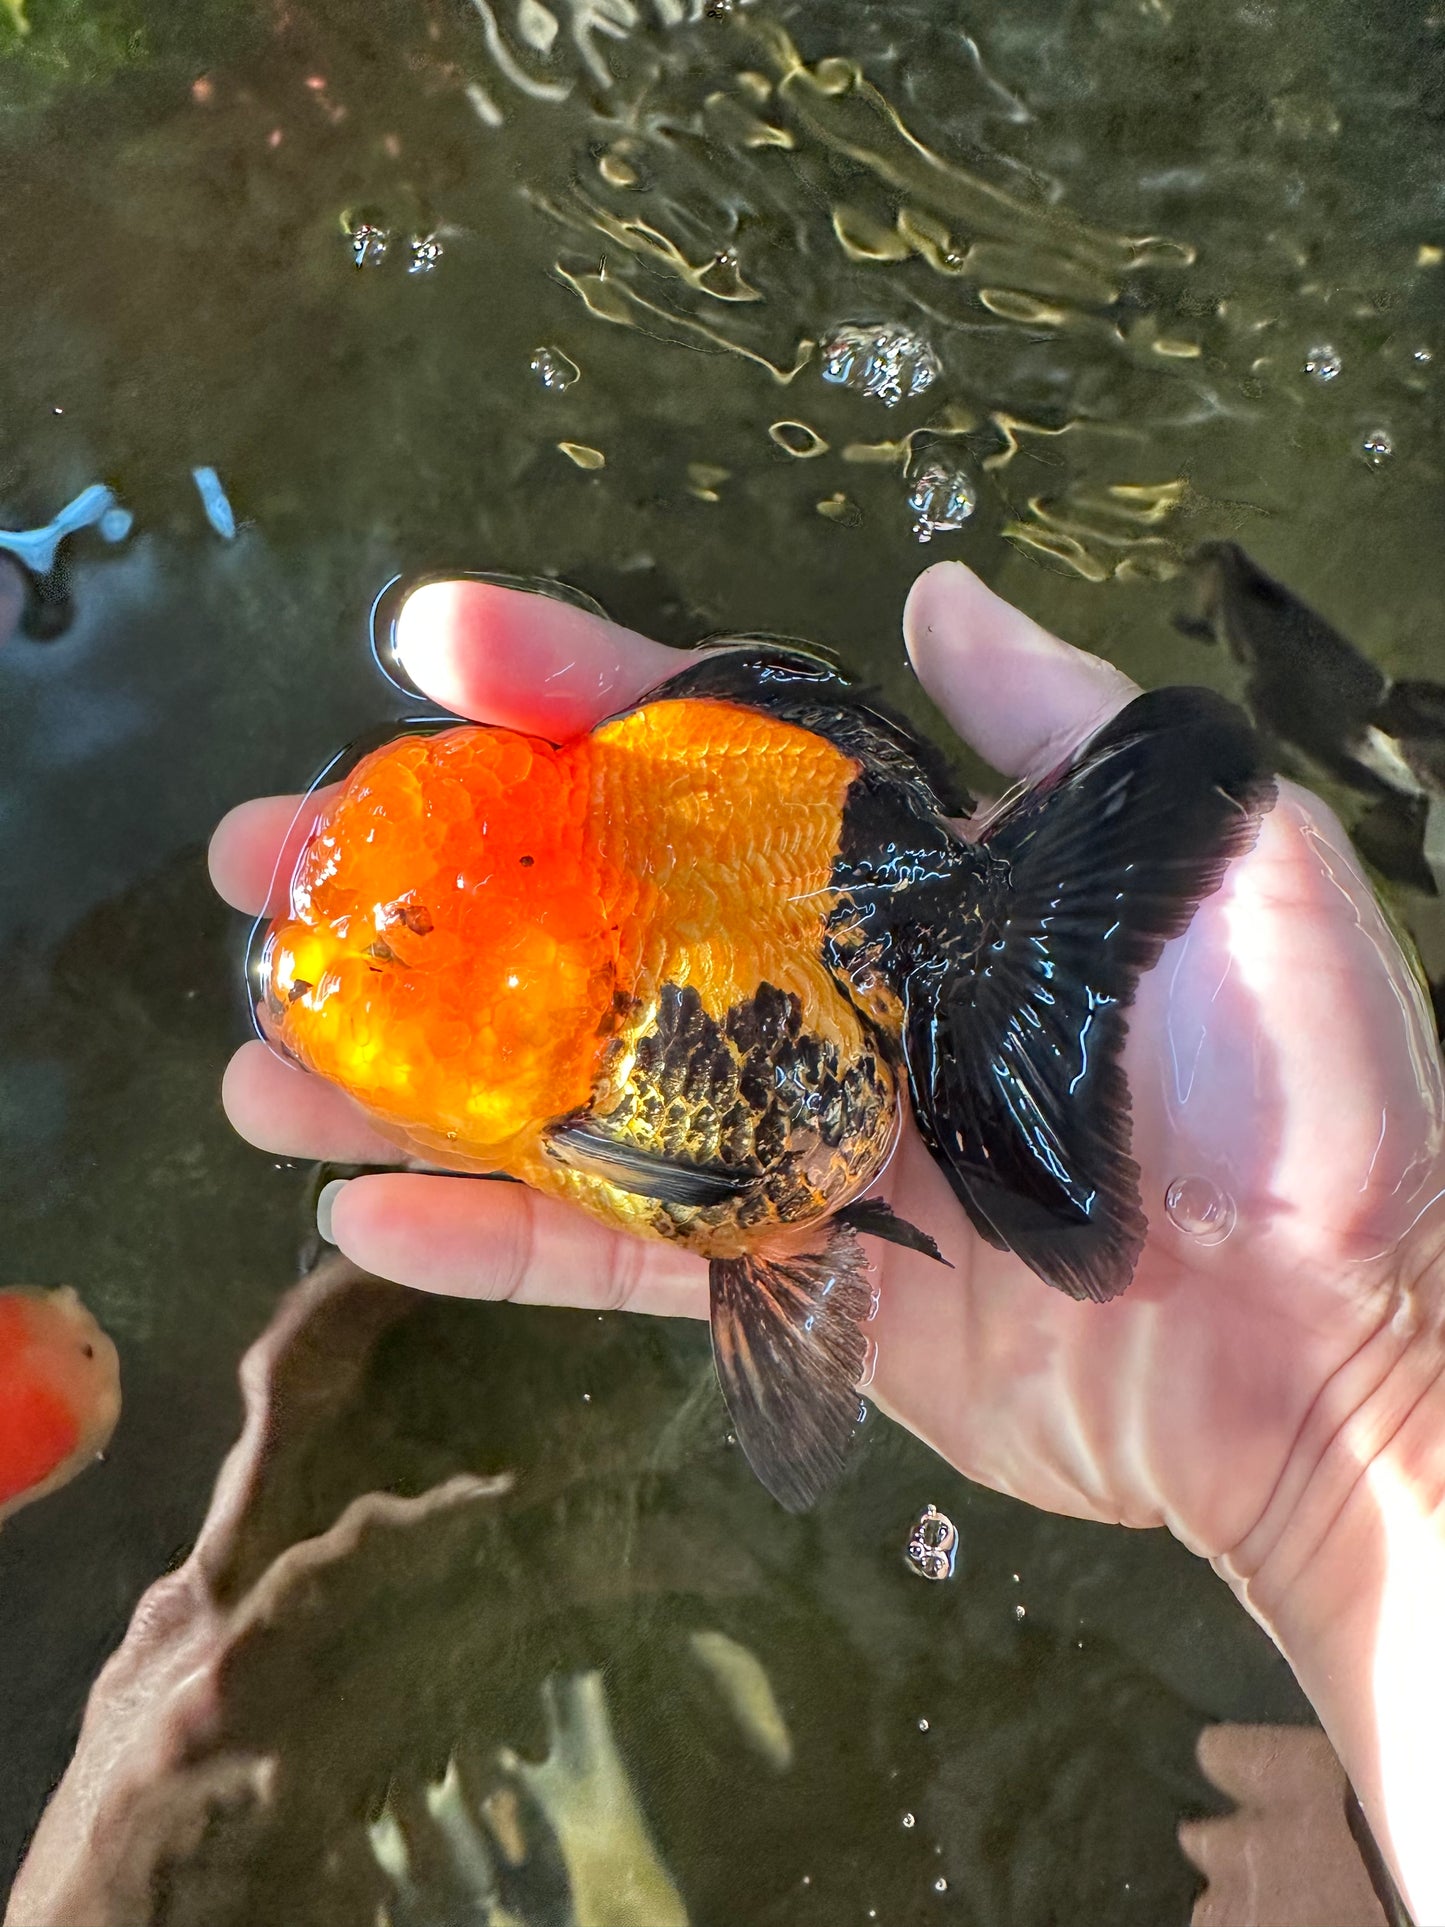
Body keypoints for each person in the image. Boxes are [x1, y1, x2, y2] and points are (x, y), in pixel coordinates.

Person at [210, 561, 1445, 1924]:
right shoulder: (567, 1055)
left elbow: (742, 1175)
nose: (302, 977)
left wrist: (1353, 1400)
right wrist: (1359, 1410)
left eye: (393, 961)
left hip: (805, 886)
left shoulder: (612, 976)